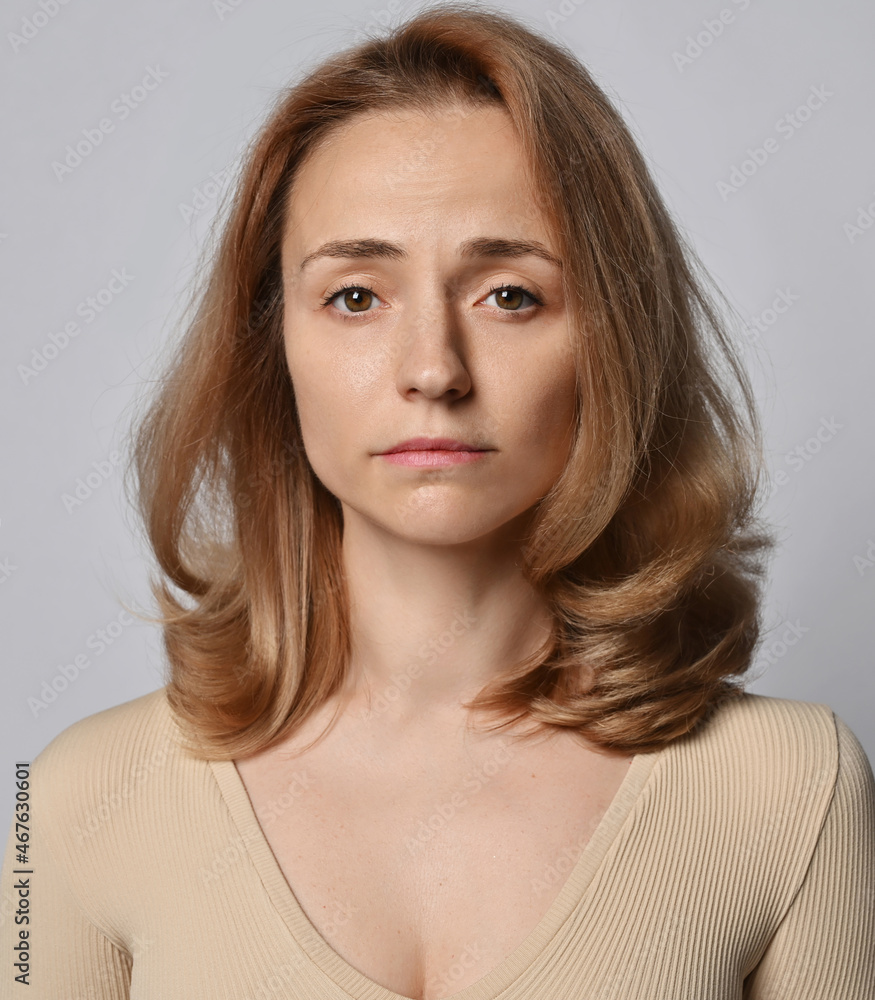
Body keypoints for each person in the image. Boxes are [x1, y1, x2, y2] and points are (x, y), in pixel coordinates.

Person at [2, 2, 873, 998]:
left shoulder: (791, 787)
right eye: (355, 296)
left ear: (611, 344)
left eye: (508, 294)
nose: (432, 369)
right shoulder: (69, 804)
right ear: (270, 344)